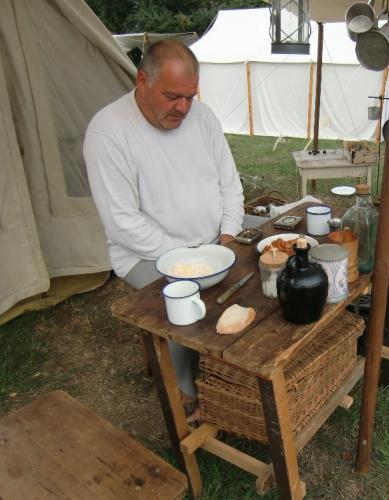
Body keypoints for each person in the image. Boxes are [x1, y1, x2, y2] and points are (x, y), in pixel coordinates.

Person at [84, 40, 260, 422]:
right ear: (142, 80)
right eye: (171, 96)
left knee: (261, 271)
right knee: (185, 304)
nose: (182, 108)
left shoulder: (204, 118)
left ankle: (245, 371)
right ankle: (190, 391)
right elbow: (122, 222)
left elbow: (230, 185)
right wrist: (191, 260)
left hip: (215, 239)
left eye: (190, 97)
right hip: (146, 255)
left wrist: (228, 233)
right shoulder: (108, 132)